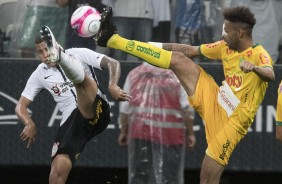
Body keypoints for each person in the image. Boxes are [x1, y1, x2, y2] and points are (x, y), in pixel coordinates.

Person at [95, 6, 275, 184]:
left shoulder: (259, 55)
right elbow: (190, 50)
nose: (223, 35)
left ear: (240, 33)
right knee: (178, 60)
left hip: (233, 122)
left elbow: (270, 74)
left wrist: (255, 68)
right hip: (215, 99)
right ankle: (113, 39)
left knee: (207, 179)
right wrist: (152, 45)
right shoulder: (225, 47)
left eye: (226, 31)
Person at [15, 25, 131, 184]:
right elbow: (20, 106)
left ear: (55, 45)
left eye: (47, 49)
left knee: (81, 84)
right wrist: (28, 122)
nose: (44, 55)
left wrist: (112, 85)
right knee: (56, 172)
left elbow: (113, 63)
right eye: (40, 52)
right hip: (73, 123)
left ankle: (62, 59)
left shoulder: (78, 53)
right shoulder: (40, 73)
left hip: (97, 108)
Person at [118, 62, 196, 184]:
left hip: (140, 137)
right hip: (171, 138)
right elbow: (187, 109)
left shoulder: (134, 74)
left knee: (140, 178)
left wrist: (124, 131)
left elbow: (124, 109)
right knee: (170, 179)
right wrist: (190, 133)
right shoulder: (177, 77)